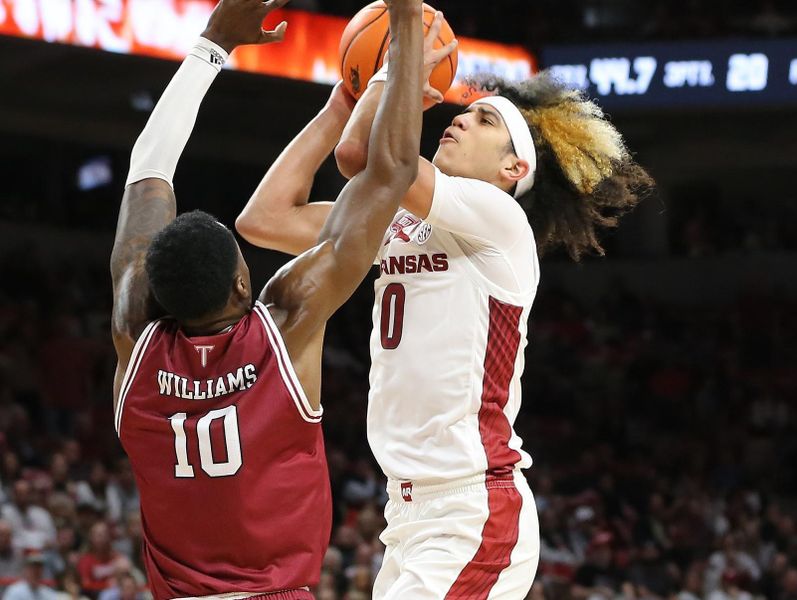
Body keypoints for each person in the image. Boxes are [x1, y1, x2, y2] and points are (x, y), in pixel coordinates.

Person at [237, 14, 653, 597]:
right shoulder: (399, 225)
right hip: (407, 513)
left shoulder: (500, 222)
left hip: (471, 508)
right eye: (468, 110)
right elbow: (264, 220)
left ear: (515, 169)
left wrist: (396, 62)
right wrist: (341, 100)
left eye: (485, 120)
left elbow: (366, 158)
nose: (459, 116)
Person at [110, 0, 425, 597]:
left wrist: (211, 49)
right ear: (240, 283)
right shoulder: (284, 324)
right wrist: (406, 25)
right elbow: (389, 176)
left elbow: (146, 173)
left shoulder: (135, 337)